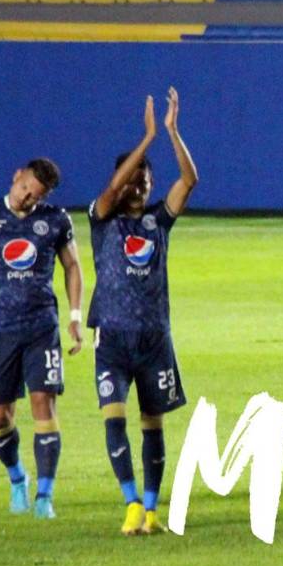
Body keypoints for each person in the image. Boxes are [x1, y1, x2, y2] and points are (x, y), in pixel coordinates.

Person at [88, 90, 197, 535]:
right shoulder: (102, 218)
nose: (139, 184)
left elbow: (189, 180)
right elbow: (113, 190)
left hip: (154, 339)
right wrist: (147, 138)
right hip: (111, 338)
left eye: (145, 179)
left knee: (153, 423)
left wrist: (171, 133)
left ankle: (151, 509)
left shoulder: (158, 222)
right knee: (114, 417)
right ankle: (130, 501)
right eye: (133, 177)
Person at [0, 157, 83, 520]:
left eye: (35, 195)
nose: (27, 197)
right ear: (16, 177)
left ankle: (45, 495)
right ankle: (17, 479)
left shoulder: (55, 221)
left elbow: (73, 265)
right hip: (0, 331)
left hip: (42, 327)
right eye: (25, 188)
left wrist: (74, 316)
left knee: (44, 403)